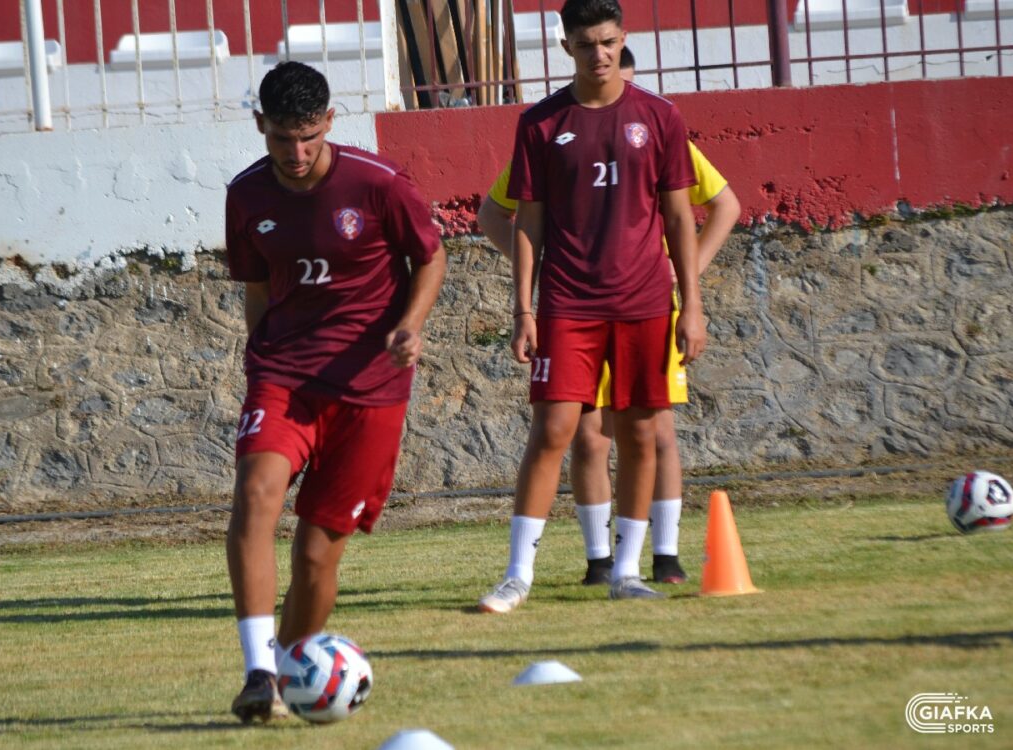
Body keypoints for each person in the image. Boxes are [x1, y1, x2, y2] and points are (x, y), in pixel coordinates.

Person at [224, 61, 446, 721]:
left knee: (316, 555)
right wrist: (261, 361)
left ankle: (289, 673)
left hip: (369, 387)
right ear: (260, 125)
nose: (295, 154)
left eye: (308, 137)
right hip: (284, 377)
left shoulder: (378, 183)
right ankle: (258, 672)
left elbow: (431, 256)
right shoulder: (246, 195)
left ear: (328, 122)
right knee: (255, 496)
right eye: (281, 138)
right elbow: (256, 285)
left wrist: (410, 326)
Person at [476, 46, 740, 588]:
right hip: (574, 305)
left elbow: (719, 207)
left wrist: (682, 278)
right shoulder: (548, 130)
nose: (611, 73)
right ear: (572, 52)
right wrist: (534, 279)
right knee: (582, 435)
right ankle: (595, 560)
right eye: (592, 50)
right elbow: (501, 214)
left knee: (652, 430)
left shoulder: (660, 125)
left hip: (645, 303)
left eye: (620, 63)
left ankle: (660, 555)